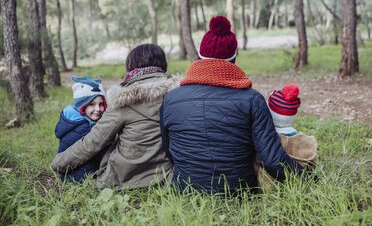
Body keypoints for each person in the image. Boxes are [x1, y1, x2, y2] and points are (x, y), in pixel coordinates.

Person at [160, 16, 305, 194]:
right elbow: (271, 159)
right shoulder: (253, 99)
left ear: (199, 57)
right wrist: (310, 178)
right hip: (239, 192)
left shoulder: (171, 99)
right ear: (234, 59)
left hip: (184, 189)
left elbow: (169, 149)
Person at [51, 44, 178, 190]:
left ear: (131, 65)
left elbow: (93, 142)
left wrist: (58, 162)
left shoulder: (123, 100)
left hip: (124, 176)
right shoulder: (176, 96)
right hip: (165, 174)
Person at [254, 84, 318, 186]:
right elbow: (312, 165)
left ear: (268, 111)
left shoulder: (263, 139)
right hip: (297, 185)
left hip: (266, 188)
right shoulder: (305, 142)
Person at [55, 76, 107, 183]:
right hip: (77, 175)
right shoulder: (84, 128)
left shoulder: (84, 120)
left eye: (101, 104)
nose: (98, 109)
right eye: (92, 104)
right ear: (82, 106)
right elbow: (97, 149)